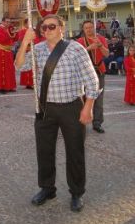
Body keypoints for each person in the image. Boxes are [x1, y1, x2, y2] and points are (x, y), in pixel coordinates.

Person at [15, 15, 99, 212]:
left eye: (51, 26)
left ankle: (77, 192)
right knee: (44, 151)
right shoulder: (38, 50)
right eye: (43, 28)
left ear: (62, 27)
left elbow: (92, 79)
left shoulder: (75, 49)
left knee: (75, 152)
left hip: (71, 106)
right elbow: (18, 66)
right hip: (45, 109)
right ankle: (47, 188)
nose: (47, 30)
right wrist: (26, 42)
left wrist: (88, 106)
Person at [76, 21, 109, 134]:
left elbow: (107, 54)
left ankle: (97, 123)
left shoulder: (101, 38)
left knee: (98, 99)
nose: (89, 29)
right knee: (83, 99)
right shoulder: (80, 41)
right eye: (86, 28)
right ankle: (82, 123)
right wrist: (89, 47)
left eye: (91, 27)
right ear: (83, 29)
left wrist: (100, 45)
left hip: (99, 71)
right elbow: (76, 56)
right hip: (84, 73)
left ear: (94, 28)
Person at [0, 17, 17, 94]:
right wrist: (8, 34)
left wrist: (15, 33)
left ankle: (10, 86)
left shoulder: (8, 29)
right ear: (2, 22)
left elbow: (14, 39)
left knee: (10, 69)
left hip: (8, 51)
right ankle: (1, 87)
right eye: (6, 22)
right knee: (2, 70)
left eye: (9, 22)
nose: (8, 23)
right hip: (2, 51)